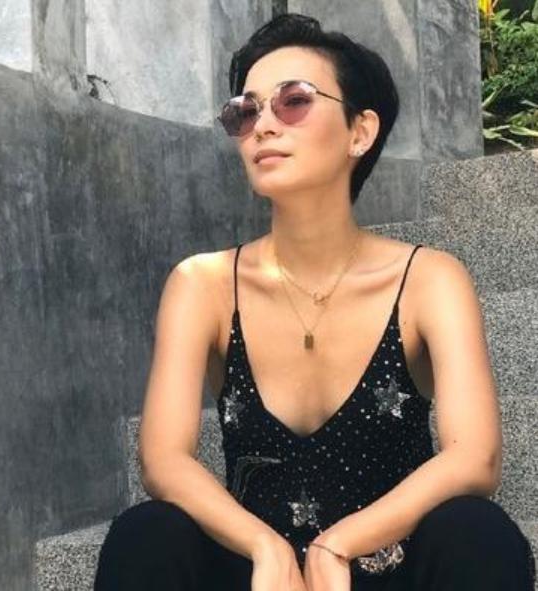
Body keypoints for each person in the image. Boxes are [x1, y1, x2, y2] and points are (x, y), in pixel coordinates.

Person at [93, 12, 536, 591]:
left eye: (294, 101)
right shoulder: (202, 284)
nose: (262, 126)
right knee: (146, 533)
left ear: (360, 131)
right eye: (245, 111)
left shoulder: (429, 280)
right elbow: (163, 460)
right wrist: (265, 547)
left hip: (383, 563)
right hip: (258, 573)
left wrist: (338, 544)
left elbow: (475, 458)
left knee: (479, 532)